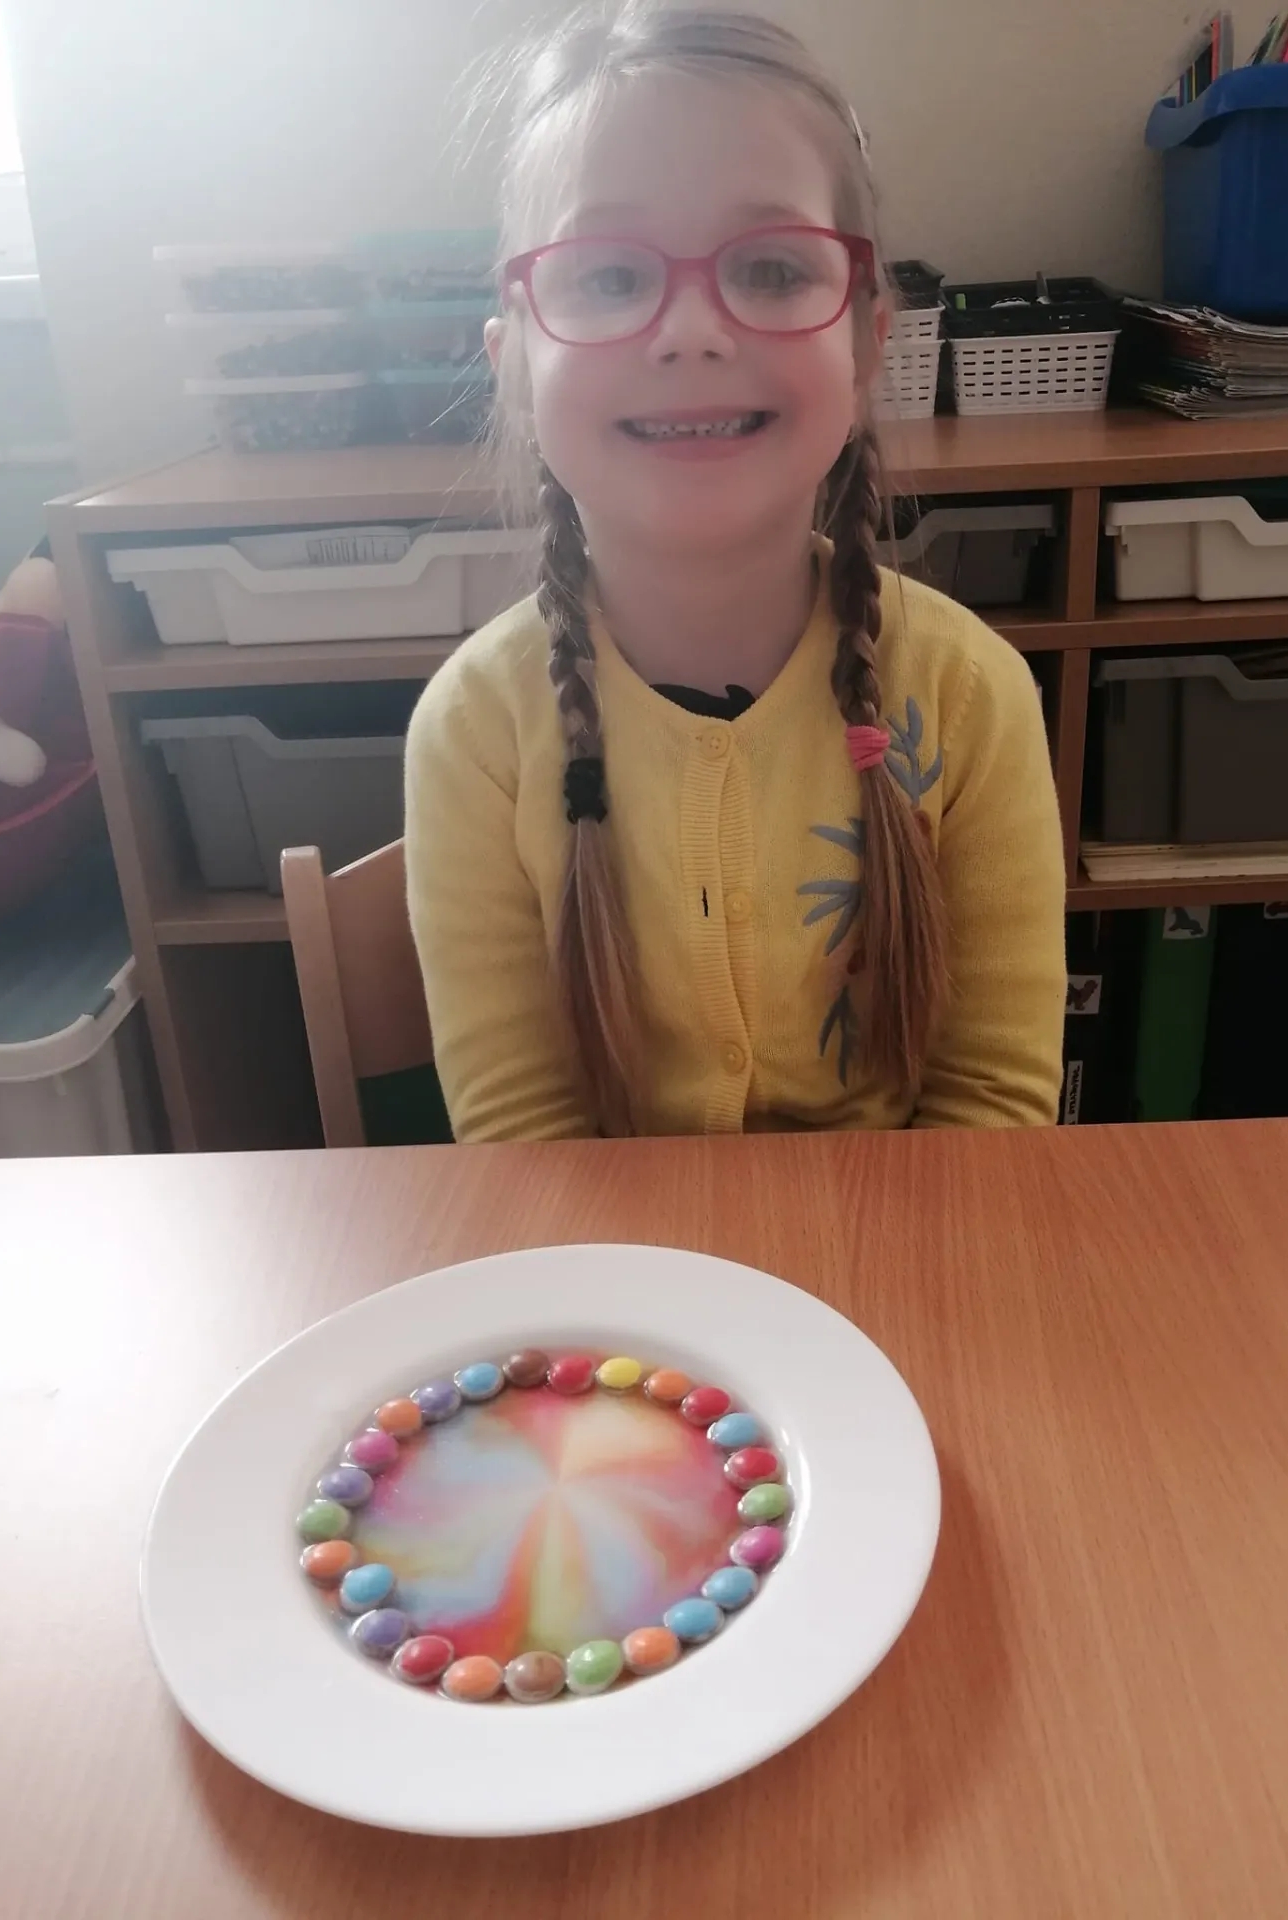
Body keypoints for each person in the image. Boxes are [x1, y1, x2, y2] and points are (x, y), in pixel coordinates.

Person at [406, 6, 1066, 1142]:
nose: (691, 330)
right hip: (600, 1258)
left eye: (768, 267)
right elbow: (521, 1146)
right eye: (609, 276)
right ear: (514, 366)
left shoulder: (971, 694)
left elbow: (993, 1112)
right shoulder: (475, 731)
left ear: (866, 342)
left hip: (908, 1247)